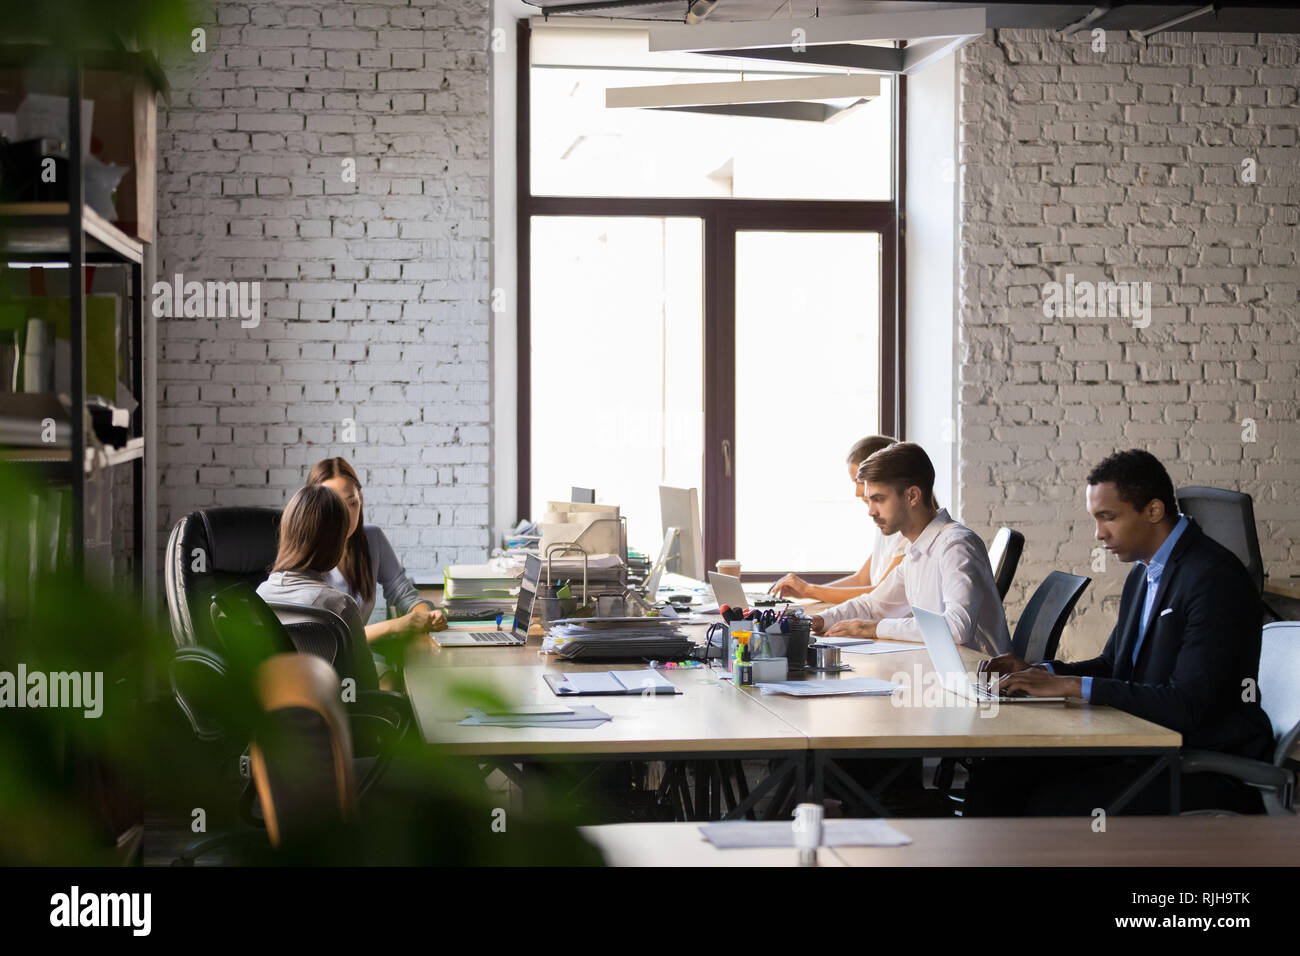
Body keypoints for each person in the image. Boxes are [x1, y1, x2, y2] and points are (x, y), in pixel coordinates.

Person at [969, 449, 1273, 815]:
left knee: (1046, 802)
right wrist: (1039, 673)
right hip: (1145, 747)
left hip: (1201, 764)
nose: (1099, 534)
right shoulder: (1144, 573)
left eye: (1108, 518)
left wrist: (1069, 686)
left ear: (1154, 511)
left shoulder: (1213, 578)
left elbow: (1187, 707)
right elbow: (1114, 664)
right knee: (996, 777)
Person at [809, 441, 1011, 656]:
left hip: (981, 680)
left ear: (912, 496)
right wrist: (820, 620)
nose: (871, 511)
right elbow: (874, 605)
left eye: (879, 499)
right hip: (947, 672)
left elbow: (956, 628)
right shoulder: (917, 551)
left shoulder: (955, 545)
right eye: (869, 500)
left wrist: (874, 628)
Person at [305, 457, 446, 643]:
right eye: (333, 505)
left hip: (360, 656)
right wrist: (396, 625)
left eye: (352, 503)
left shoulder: (372, 539)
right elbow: (324, 639)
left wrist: (427, 616)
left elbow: (401, 592)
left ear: (360, 501)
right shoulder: (304, 552)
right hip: (320, 662)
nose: (345, 516)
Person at [256, 484, 380, 691]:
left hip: (274, 716)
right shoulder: (339, 606)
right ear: (335, 543)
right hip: (334, 717)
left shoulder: (260, 595)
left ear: (287, 533)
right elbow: (367, 686)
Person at [770, 435, 906, 603]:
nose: (858, 493)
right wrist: (807, 591)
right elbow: (861, 580)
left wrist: (810, 590)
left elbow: (879, 594)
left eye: (861, 482)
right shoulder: (886, 525)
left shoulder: (906, 532)